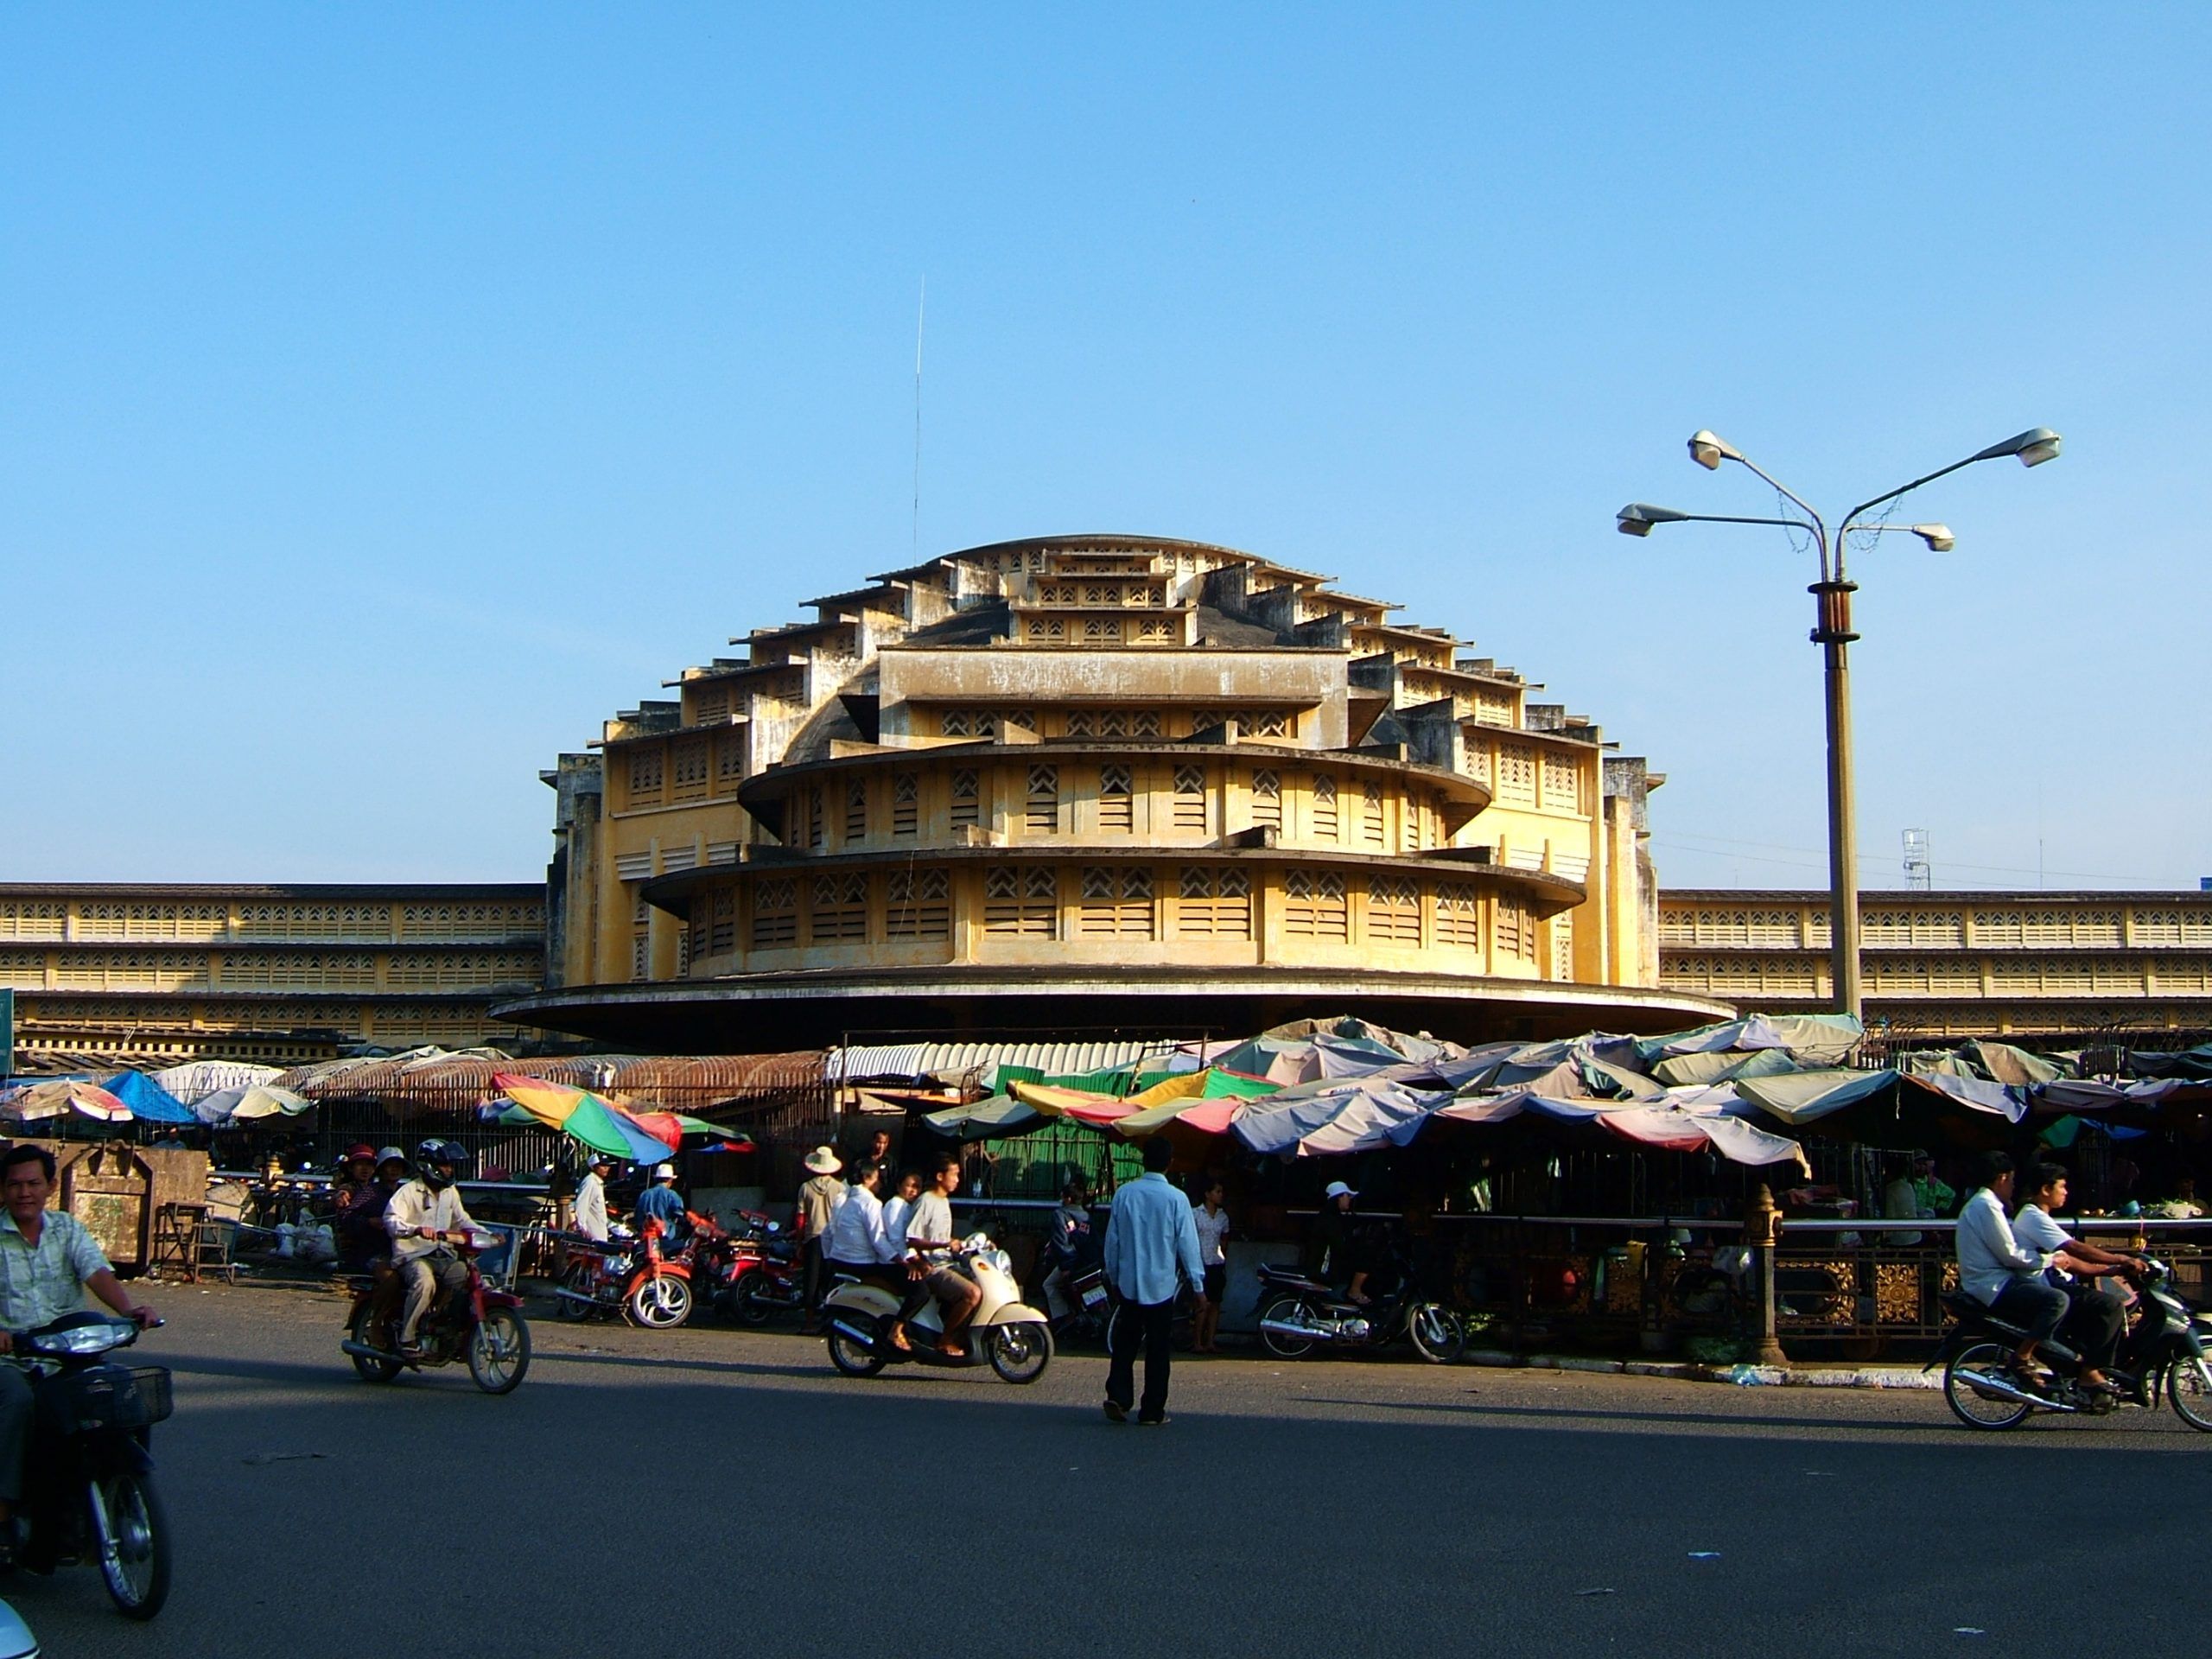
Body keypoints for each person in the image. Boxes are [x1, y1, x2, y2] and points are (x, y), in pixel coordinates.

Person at [0, 1144, 156, 1562]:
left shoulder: (66, 1230)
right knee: (16, 1401)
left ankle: (116, 1488)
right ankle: (5, 1507)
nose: (24, 1193)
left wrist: (128, 1311)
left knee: (121, 1395)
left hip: (67, 1356)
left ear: (50, 1187)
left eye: (33, 1183)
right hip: (12, 1359)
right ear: (2, 1190)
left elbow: (95, 1271)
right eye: (14, 1185)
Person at [2012, 1161, 2141, 1395]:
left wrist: (2108, 1271)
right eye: (2062, 1187)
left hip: (2057, 1283)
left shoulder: (2041, 1217)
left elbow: (2071, 1263)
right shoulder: (2032, 1216)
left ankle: (2086, 1369)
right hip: (2045, 1288)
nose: (2066, 1192)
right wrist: (2120, 1258)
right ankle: (2090, 1372)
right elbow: (2074, 1248)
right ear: (2045, 1189)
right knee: (2110, 1305)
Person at [1102, 1137, 1206, 1427]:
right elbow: (1188, 1245)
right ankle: (1152, 1411)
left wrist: (1112, 1276)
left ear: (1143, 1160)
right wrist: (1198, 1287)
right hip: (1161, 1287)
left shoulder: (1125, 1194)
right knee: (1158, 1350)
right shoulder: (1177, 1199)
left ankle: (1120, 1396)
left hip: (1129, 1285)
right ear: (1169, 1163)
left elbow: (1113, 1241)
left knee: (1125, 1345)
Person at [1955, 1150, 2069, 1387]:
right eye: (2013, 1181)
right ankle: (2023, 1356)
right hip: (1993, 1285)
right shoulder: (1986, 1206)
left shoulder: (1986, 1204)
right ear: (2003, 1178)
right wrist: (2050, 1260)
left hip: (1996, 1282)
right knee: (2057, 1300)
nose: (2014, 1187)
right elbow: (2010, 1253)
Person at [385, 1140, 487, 1357]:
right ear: (428, 1166)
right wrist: (416, 1229)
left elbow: (463, 1220)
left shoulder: (450, 1193)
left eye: (450, 1165)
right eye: (444, 1165)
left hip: (444, 1254)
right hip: (414, 1255)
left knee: (468, 1278)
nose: (448, 1170)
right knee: (425, 1283)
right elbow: (391, 1221)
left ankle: (447, 1326)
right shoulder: (408, 1191)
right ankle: (407, 1337)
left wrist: (486, 1234)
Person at [891, 1154, 978, 1357]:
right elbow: (912, 1240)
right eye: (954, 1174)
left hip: (947, 1262)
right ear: (940, 1176)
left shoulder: (944, 1201)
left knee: (980, 1282)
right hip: (932, 1267)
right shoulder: (925, 1201)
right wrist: (943, 1244)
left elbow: (943, 1238)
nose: (957, 1179)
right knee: (972, 1293)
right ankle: (945, 1339)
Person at [823, 1164, 899, 1289]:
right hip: (861, 1263)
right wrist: (899, 1259)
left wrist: (829, 1258)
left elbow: (826, 1234)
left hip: (837, 1261)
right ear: (866, 1178)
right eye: (877, 1178)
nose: (880, 1183)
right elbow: (878, 1239)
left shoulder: (843, 1199)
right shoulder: (871, 1203)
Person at [334, 1147, 409, 1273]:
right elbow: (346, 1218)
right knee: (390, 1279)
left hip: (403, 1251)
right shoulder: (369, 1192)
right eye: (390, 1165)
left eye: (398, 1166)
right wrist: (369, 1222)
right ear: (380, 1169)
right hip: (372, 1253)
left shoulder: (407, 1192)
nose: (394, 1169)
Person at [794, 1146, 844, 1332]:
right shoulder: (840, 1188)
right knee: (830, 1280)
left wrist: (799, 1242)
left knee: (811, 1279)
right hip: (833, 1239)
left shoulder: (805, 1188)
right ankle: (830, 1320)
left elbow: (800, 1218)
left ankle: (808, 1322)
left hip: (813, 1238)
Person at [1191, 1179, 1230, 1354]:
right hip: (1199, 1263)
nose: (1220, 1195)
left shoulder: (1223, 1217)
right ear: (1208, 1194)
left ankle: (1210, 1341)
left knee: (1215, 1303)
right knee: (1201, 1304)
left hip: (1216, 1263)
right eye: (1217, 1192)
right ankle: (1197, 1341)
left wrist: (1223, 1257)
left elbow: (1224, 1239)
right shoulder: (1196, 1214)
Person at [1882, 1154, 1940, 1248]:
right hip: (1915, 1236)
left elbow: (1890, 1217)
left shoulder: (1891, 1190)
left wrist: (1885, 1237)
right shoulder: (1908, 1186)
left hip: (1900, 1240)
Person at [634, 1163, 689, 1246]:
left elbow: (638, 1216)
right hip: (666, 1238)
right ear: (670, 1180)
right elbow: (680, 1215)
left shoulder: (645, 1194)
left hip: (648, 1238)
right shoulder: (672, 1195)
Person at [571, 1151, 615, 1243]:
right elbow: (581, 1205)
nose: (606, 1168)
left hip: (600, 1230)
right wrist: (582, 1227)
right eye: (602, 1166)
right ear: (593, 1167)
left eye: (608, 1166)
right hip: (592, 1233)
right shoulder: (590, 1182)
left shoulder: (598, 1183)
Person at [879, 1169, 920, 1260]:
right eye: (909, 1186)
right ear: (898, 1187)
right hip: (895, 1261)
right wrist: (914, 1260)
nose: (914, 1191)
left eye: (917, 1187)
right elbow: (895, 1239)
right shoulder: (895, 1205)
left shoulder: (908, 1206)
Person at [332, 1143, 378, 1211]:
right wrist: (341, 1196)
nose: (365, 1168)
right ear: (350, 1168)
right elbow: (342, 1192)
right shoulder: (348, 1188)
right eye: (360, 1164)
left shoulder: (377, 1189)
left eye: (369, 1164)